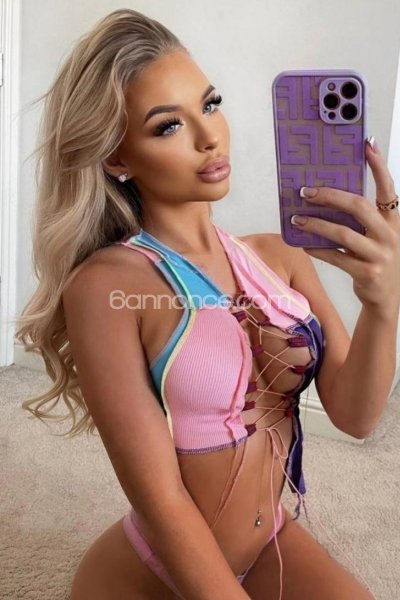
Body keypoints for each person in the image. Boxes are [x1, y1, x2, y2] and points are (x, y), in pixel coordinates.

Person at [15, 8, 400, 600]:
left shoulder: (280, 256)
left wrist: (383, 303)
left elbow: (357, 416)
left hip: (269, 541)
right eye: (168, 125)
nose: (209, 136)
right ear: (116, 158)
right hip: (156, 569)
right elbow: (162, 499)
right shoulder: (107, 285)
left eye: (211, 104)